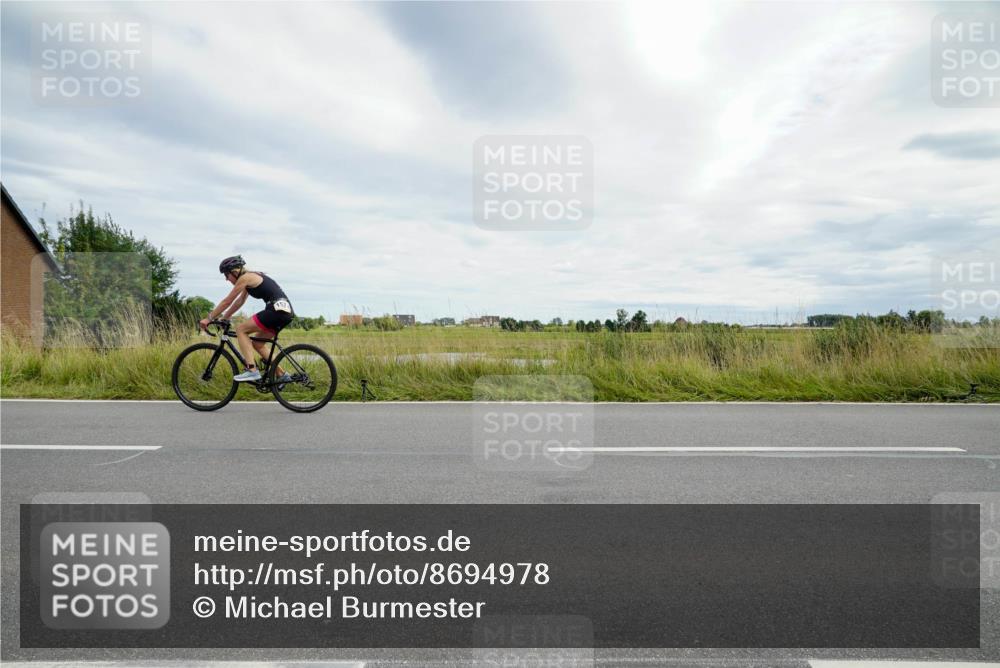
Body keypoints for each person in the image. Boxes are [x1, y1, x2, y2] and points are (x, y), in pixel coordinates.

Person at [200, 255, 295, 382]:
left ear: (234, 272)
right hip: (285, 313)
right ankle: (282, 375)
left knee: (241, 329)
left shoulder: (246, 278)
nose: (226, 279)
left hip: (275, 311)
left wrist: (209, 318)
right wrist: (225, 317)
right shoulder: (250, 278)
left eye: (226, 275)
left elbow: (227, 301)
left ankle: (252, 370)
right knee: (258, 344)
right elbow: (239, 301)